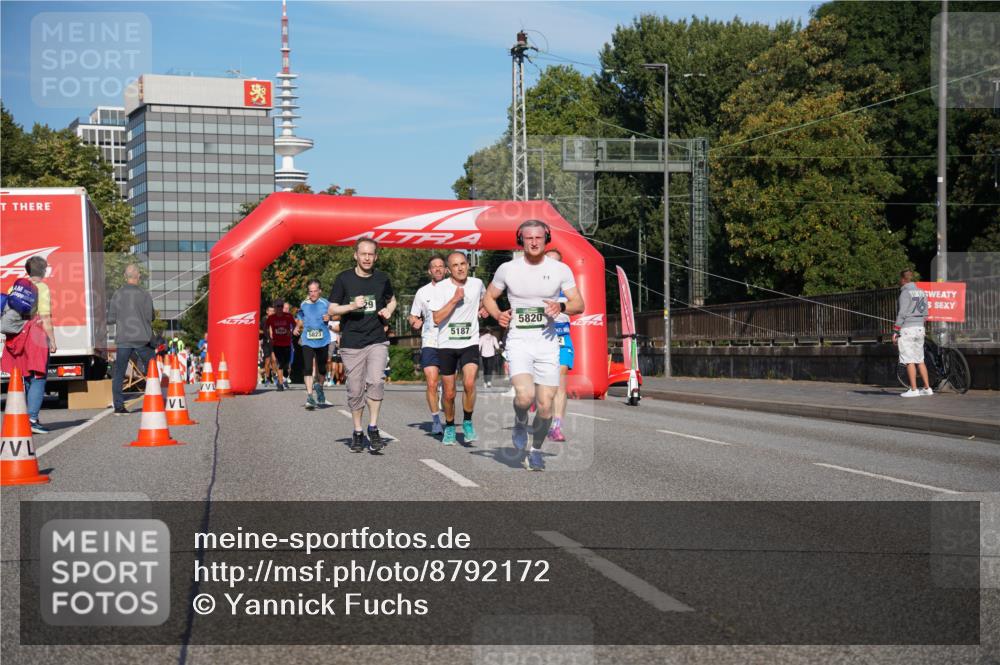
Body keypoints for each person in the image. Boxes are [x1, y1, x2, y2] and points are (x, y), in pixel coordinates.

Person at [483, 220, 584, 471]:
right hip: (518, 340)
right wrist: (498, 315)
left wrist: (560, 307)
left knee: (545, 405)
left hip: (548, 342)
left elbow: (579, 304)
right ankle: (519, 420)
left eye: (539, 237)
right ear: (521, 240)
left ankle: (536, 450)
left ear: (546, 238)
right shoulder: (508, 269)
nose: (534, 242)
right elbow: (489, 297)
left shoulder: (560, 269)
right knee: (525, 395)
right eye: (529, 238)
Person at [327, 237, 397, 453]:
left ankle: (373, 426)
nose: (367, 258)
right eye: (363, 254)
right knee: (355, 389)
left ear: (376, 257)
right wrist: (351, 306)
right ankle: (357, 431)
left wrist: (389, 310)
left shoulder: (382, 278)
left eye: (371, 254)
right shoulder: (344, 279)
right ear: (355, 255)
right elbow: (331, 310)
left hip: (376, 338)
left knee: (376, 381)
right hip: (352, 342)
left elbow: (392, 299)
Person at [430, 251, 486, 445]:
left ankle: (468, 422)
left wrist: (484, 308)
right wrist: (454, 300)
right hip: (447, 344)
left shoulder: (477, 284)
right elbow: (436, 318)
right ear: (448, 270)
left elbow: (485, 300)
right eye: (455, 265)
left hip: (469, 341)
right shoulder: (441, 288)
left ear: (468, 265)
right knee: (449, 392)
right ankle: (451, 426)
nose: (460, 268)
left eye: (463, 263)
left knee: (469, 383)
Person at [2, 258, 55, 433]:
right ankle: (31, 419)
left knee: (24, 377)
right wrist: (52, 341)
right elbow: (45, 317)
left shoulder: (15, 287)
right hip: (35, 335)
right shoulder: (42, 288)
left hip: (18, 337)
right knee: (38, 377)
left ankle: (26, 416)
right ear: (44, 271)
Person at [107, 263, 154, 417]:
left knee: (119, 372)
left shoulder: (117, 294)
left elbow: (111, 318)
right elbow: (150, 317)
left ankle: (119, 407)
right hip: (142, 338)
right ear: (138, 276)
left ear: (125, 277)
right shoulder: (145, 294)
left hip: (124, 339)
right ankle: (154, 401)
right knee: (151, 370)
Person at [408, 255, 448, 435]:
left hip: (450, 342)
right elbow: (413, 315)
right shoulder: (422, 292)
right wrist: (414, 321)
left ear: (446, 269)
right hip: (430, 341)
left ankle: (446, 403)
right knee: (431, 382)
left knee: (449, 387)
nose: (438, 269)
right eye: (434, 267)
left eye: (441, 266)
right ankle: (436, 421)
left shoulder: (456, 289)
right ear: (429, 271)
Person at [543, 249, 575, 441]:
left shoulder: (568, 287)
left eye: (556, 263)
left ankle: (556, 426)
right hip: (542, 338)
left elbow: (579, 305)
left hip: (562, 335)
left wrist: (562, 306)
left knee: (561, 378)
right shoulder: (534, 286)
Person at [893, 269, 932, 397]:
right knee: (920, 359)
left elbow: (902, 312)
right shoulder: (921, 292)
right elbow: (926, 313)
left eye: (900, 279)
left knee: (909, 359)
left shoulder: (905, 292)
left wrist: (896, 330)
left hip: (908, 329)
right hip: (920, 328)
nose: (899, 282)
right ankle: (927, 388)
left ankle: (914, 389)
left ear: (904, 279)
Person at [294, 280, 332, 410]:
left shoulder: (326, 303)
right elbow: (300, 318)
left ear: (320, 291)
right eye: (311, 291)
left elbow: (337, 315)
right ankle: (310, 396)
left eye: (315, 291)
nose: (313, 294)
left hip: (323, 340)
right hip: (307, 340)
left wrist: (330, 318)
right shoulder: (304, 304)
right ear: (308, 292)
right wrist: (296, 327)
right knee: (308, 368)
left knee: (322, 368)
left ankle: (320, 388)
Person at [266, 299, 296, 391]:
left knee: (286, 364)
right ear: (274, 307)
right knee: (280, 363)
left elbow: (294, 325)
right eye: (277, 306)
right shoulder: (271, 318)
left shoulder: (288, 316)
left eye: (281, 306)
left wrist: (291, 332)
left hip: (287, 343)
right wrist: (269, 337)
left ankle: (285, 375)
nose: (279, 308)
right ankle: (280, 384)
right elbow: (265, 327)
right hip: (277, 343)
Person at [260, 304, 276, 385]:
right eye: (270, 311)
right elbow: (260, 330)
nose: (272, 312)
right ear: (267, 312)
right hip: (266, 342)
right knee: (267, 360)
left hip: (275, 342)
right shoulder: (264, 320)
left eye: (273, 311)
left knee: (274, 360)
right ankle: (267, 378)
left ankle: (274, 375)